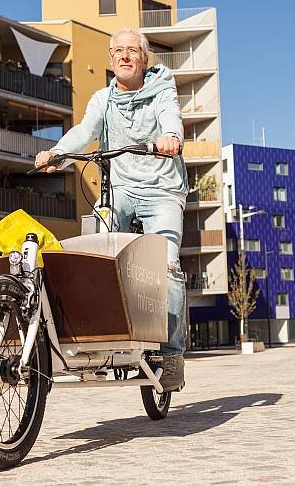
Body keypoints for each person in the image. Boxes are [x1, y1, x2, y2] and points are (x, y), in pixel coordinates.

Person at [35, 27, 187, 391]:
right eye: (117, 51)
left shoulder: (161, 89)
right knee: (95, 252)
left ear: (144, 58)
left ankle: (171, 355)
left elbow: (171, 117)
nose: (124, 56)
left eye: (132, 50)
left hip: (162, 189)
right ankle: (99, 335)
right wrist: (58, 153)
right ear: (110, 59)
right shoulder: (103, 99)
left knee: (167, 264)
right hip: (119, 188)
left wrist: (171, 138)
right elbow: (85, 131)